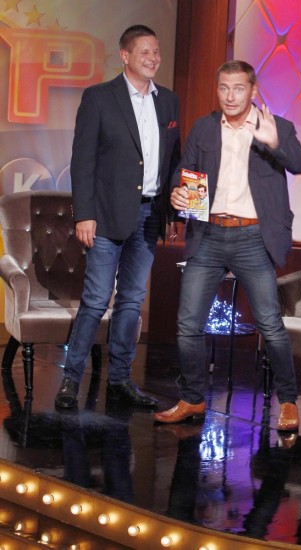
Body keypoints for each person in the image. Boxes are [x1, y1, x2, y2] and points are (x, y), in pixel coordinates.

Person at [154, 60, 301, 431]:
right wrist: (177, 191)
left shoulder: (276, 126)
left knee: (270, 323)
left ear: (253, 91)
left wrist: (274, 142)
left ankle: (288, 401)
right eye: (223, 88)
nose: (230, 95)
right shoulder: (205, 127)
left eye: (238, 88)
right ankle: (192, 398)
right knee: (188, 324)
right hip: (208, 234)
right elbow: (184, 170)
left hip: (253, 238)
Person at [54, 25, 181, 409]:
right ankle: (70, 379)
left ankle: (121, 380)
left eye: (156, 52)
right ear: (125, 56)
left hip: (150, 214)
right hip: (106, 215)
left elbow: (173, 159)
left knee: (131, 301)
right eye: (145, 52)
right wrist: (84, 214)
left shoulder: (168, 101)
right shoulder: (99, 98)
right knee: (96, 299)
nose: (153, 58)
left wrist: (175, 209)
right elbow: (83, 161)